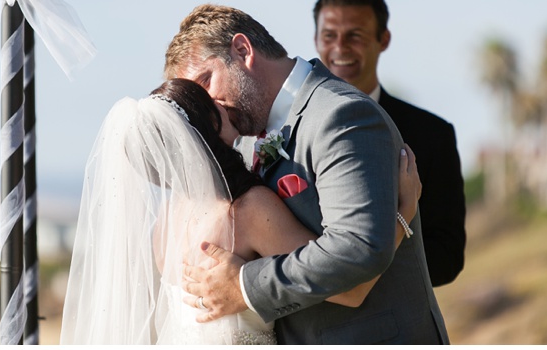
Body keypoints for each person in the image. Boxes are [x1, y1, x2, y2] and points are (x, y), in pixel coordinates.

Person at [165, 3, 449, 344]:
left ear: (243, 51)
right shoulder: (239, 145)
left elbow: (357, 248)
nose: (208, 105)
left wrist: (245, 286)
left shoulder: (341, 115)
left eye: (206, 81)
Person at [59, 78, 422, 345]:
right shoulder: (245, 212)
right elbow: (351, 287)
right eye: (207, 97)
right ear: (207, 121)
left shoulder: (166, 220)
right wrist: (403, 214)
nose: (220, 99)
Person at [313, 0, 466, 286]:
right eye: (329, 35)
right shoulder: (284, 129)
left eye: (354, 35)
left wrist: (353, 274)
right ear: (316, 39)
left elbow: (448, 256)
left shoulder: (433, 135)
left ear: (384, 39)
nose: (340, 48)